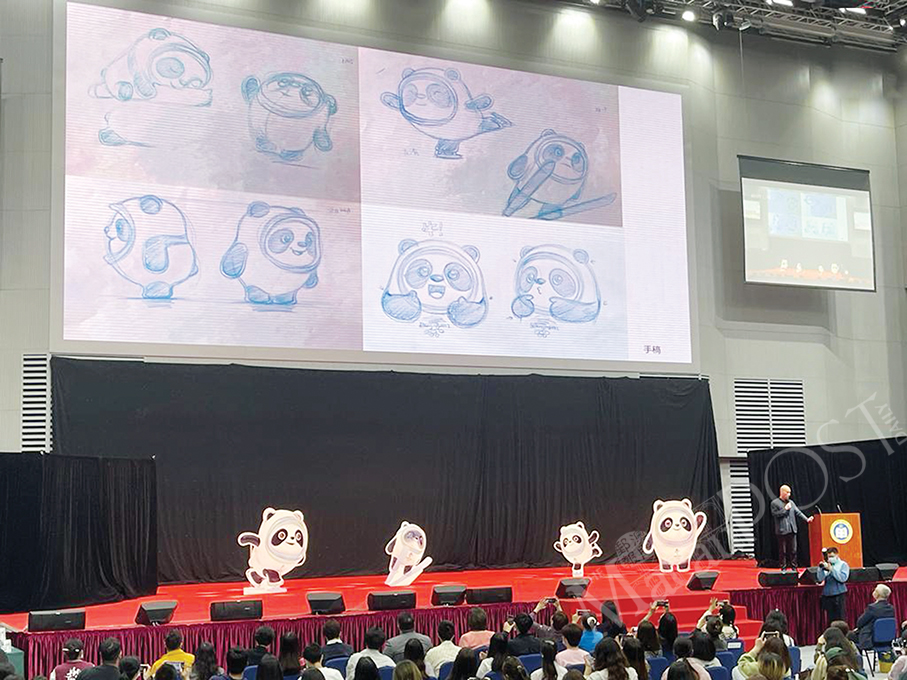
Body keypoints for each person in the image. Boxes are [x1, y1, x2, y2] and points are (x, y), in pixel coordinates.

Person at [770, 485, 814, 572]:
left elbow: (798, 512)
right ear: (782, 492)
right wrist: (785, 509)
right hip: (782, 531)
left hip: (792, 529)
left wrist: (807, 519)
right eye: (787, 492)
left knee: (793, 550)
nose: (789, 494)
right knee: (783, 551)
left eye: (790, 492)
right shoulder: (775, 503)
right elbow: (775, 514)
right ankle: (783, 568)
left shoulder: (791, 502)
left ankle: (794, 568)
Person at [852, 584, 896, 649]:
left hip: (871, 638)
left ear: (877, 594)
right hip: (887, 638)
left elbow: (860, 623)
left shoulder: (872, 608)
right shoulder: (891, 608)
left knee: (850, 635)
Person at [817, 547, 851, 625]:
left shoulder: (843, 564)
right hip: (828, 595)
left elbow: (843, 578)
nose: (830, 558)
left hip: (839, 594)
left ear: (837, 555)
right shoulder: (826, 564)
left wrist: (831, 569)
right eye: (829, 556)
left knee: (840, 618)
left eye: (832, 556)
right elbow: (820, 579)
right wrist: (820, 569)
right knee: (830, 619)